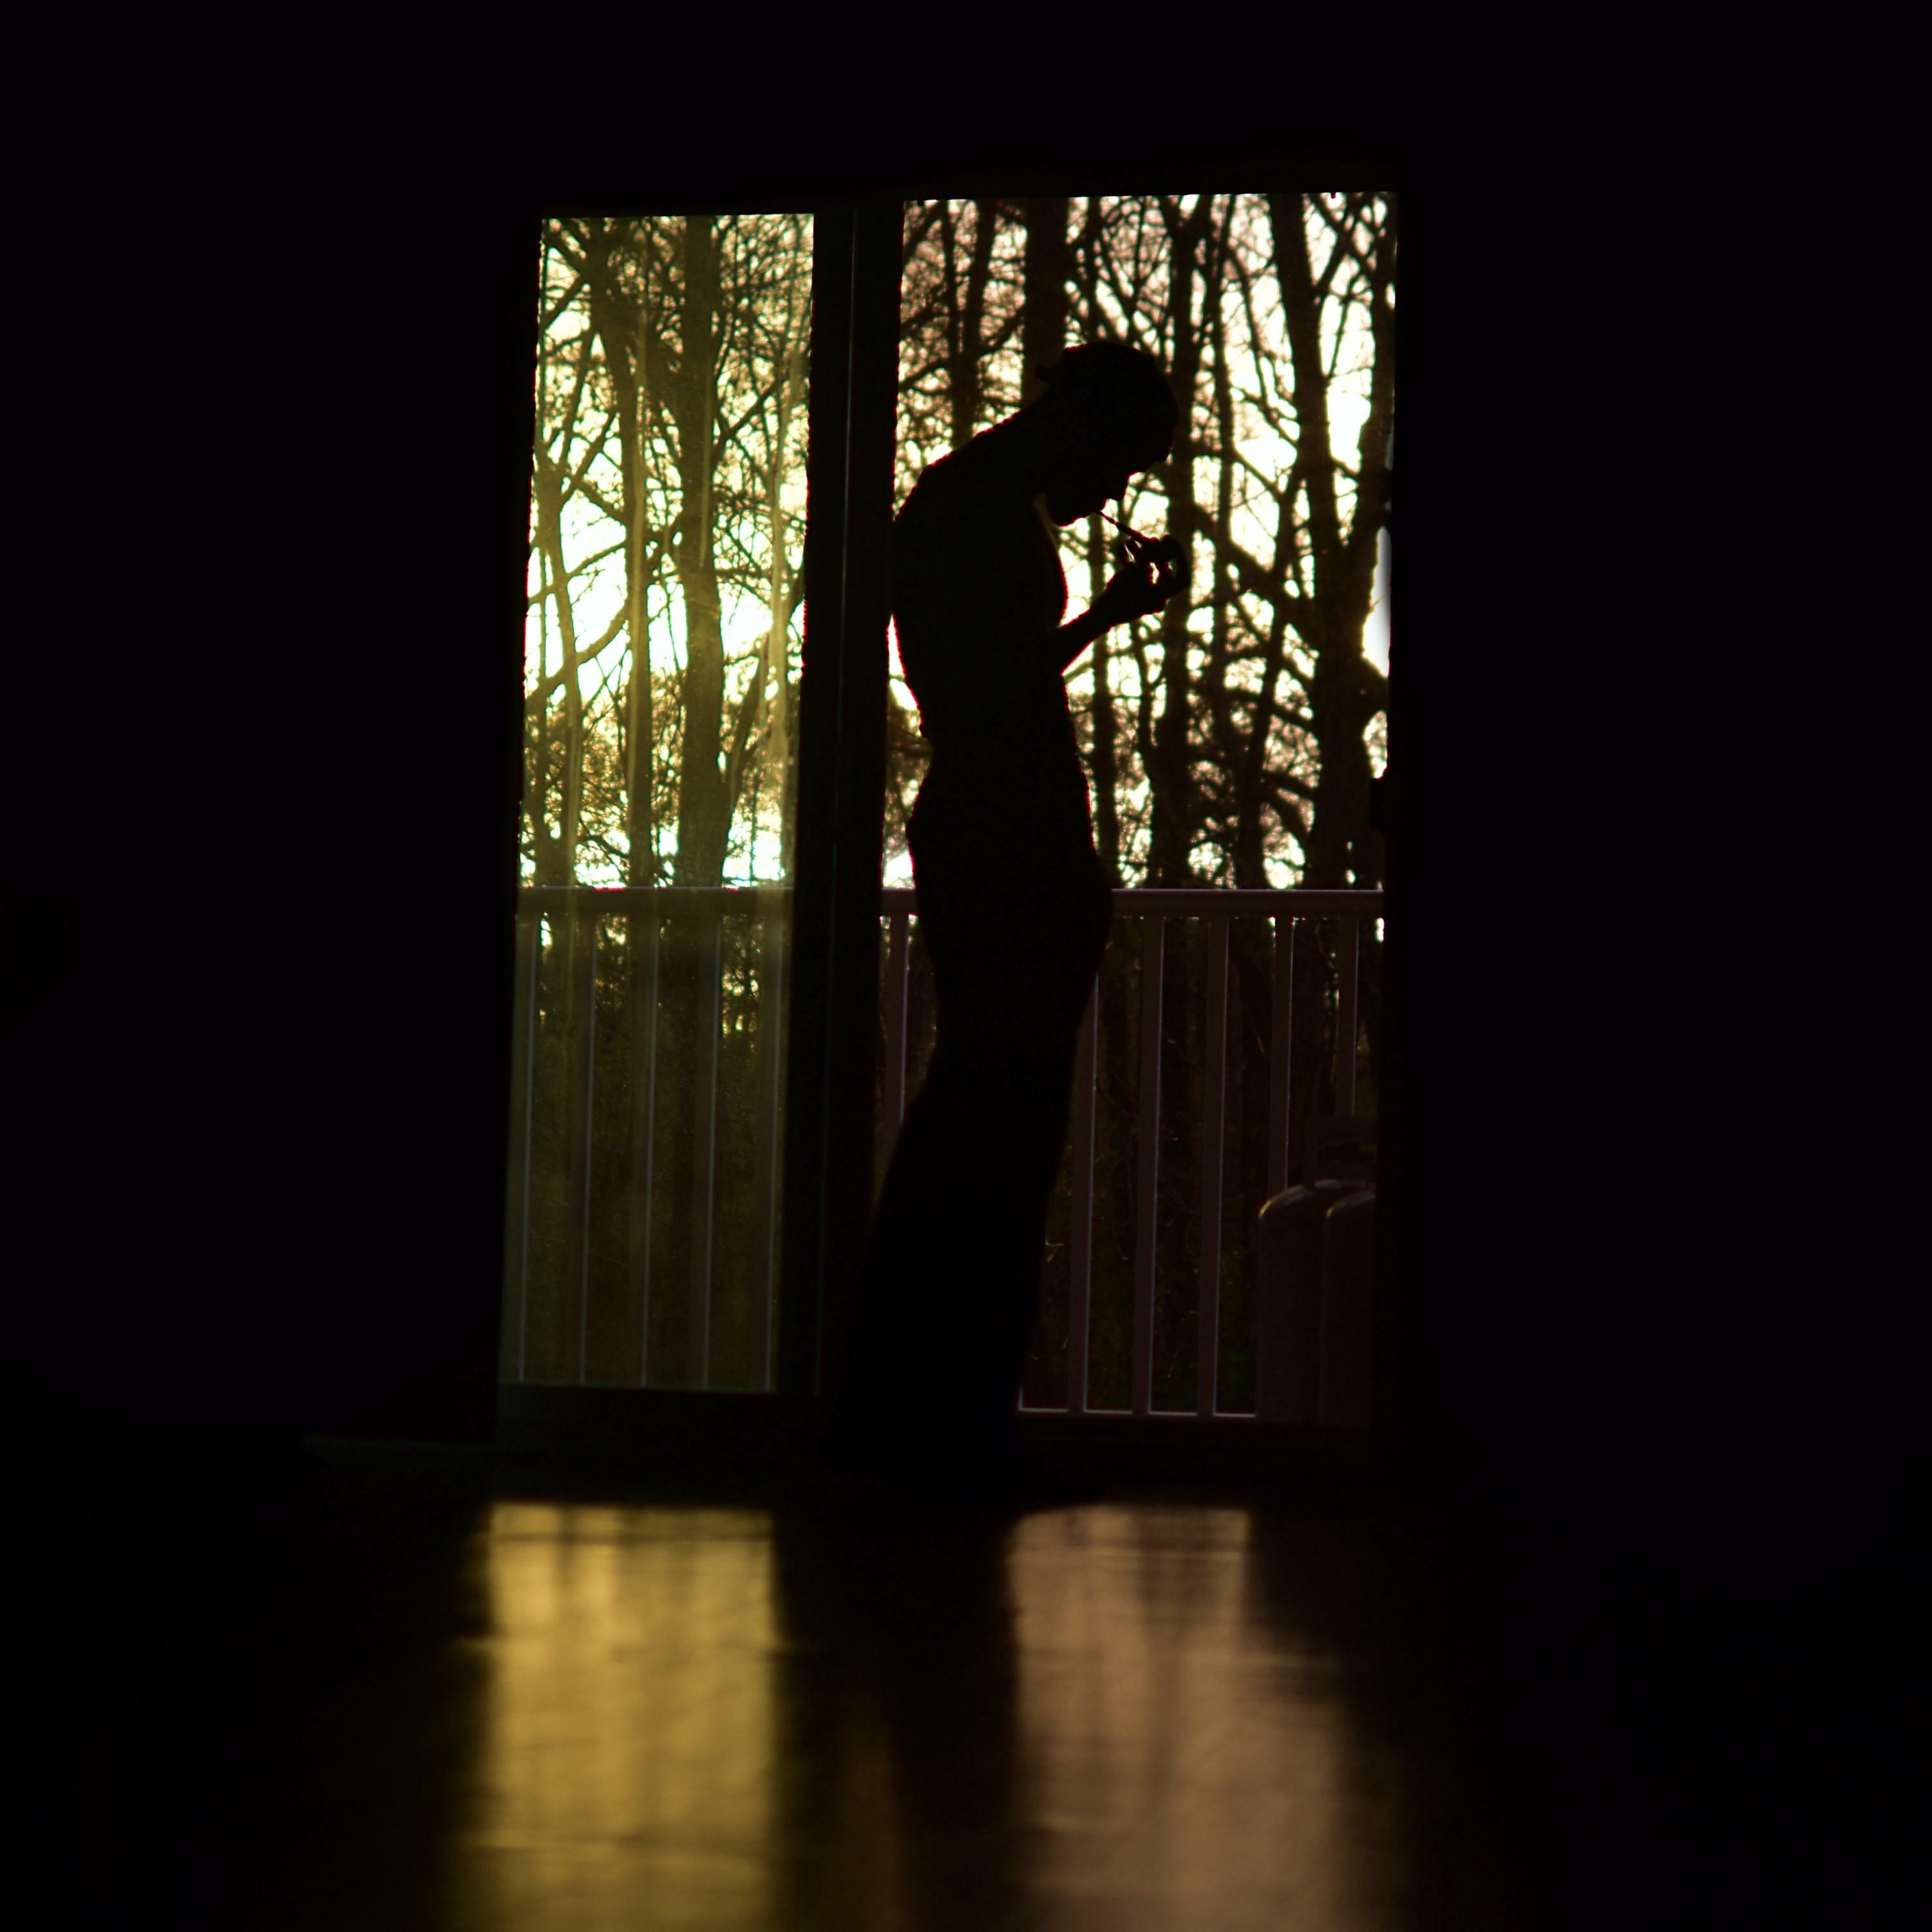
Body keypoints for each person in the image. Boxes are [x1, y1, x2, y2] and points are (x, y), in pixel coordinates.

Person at [825, 341, 1182, 1506]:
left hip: (997, 830)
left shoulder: (968, 501)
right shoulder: (976, 510)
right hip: (1004, 835)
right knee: (994, 1137)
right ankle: (943, 1424)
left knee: (981, 1128)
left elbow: (981, 685)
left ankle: (929, 1420)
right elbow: (988, 697)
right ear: (1083, 427)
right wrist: (1106, 620)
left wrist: (1103, 618)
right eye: (1120, 462)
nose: (1114, 490)